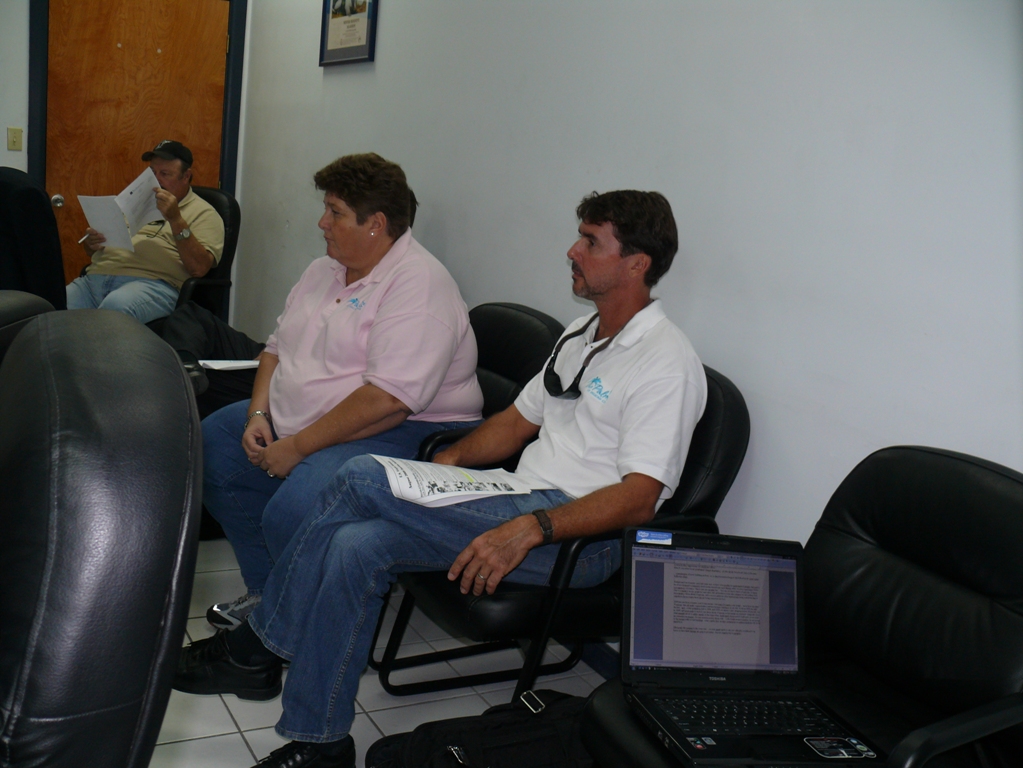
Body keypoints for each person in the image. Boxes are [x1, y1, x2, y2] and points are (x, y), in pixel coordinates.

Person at [174, 189, 707, 768]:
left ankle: (257, 645)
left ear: (638, 263)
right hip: (510, 497)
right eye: (578, 235)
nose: (572, 250)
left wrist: (532, 527)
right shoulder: (582, 334)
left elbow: (640, 499)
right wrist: (447, 468)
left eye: (590, 241)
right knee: (357, 544)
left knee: (360, 477)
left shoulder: (665, 361)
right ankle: (321, 741)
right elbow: (513, 422)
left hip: (574, 537)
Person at [199, 153, 484, 631]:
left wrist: (297, 447)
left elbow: (389, 401)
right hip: (312, 417)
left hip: (408, 431)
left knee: (294, 505)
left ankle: (286, 625)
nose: (321, 222)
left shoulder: (419, 284)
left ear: (375, 224)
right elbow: (273, 351)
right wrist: (257, 415)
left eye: (334, 212)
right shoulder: (324, 270)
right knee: (212, 445)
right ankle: (271, 594)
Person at [65, 140, 225, 323]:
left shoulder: (205, 213)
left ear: (186, 176)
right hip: (95, 279)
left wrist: (176, 219)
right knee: (52, 307)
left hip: (152, 284)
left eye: (165, 174)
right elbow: (93, 252)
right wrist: (92, 244)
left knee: (114, 310)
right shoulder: (134, 201)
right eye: (152, 173)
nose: (156, 181)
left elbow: (199, 268)